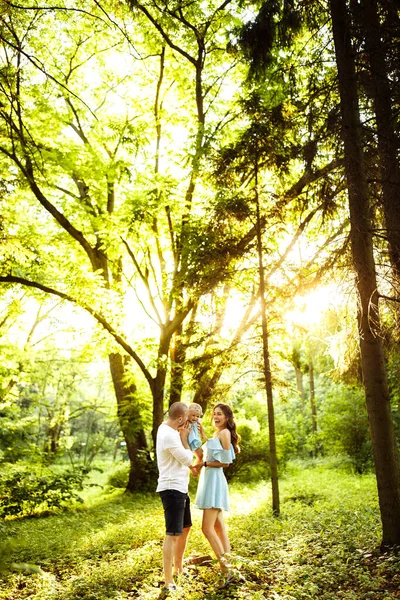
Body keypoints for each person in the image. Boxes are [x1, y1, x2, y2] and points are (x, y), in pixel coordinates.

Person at [194, 403, 241, 586]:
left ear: (227, 417)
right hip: (210, 479)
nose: (216, 416)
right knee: (219, 527)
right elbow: (212, 454)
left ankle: (225, 570)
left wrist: (204, 465)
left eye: (219, 414)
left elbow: (226, 462)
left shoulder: (225, 433)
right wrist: (204, 437)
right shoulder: (217, 434)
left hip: (214, 481)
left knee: (207, 528)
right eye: (214, 414)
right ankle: (230, 566)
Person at [156, 402, 195, 593]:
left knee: (185, 527)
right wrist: (185, 439)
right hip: (172, 489)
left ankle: (179, 568)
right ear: (180, 419)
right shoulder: (169, 436)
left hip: (180, 487)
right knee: (172, 534)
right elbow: (188, 459)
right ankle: (168, 581)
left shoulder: (166, 429)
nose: (187, 423)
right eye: (186, 419)